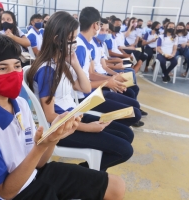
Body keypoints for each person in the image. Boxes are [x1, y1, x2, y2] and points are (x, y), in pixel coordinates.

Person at [0, 32, 125, 200]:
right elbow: (6, 192)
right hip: (12, 193)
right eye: (2, 68)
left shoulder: (20, 104)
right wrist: (40, 147)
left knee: (116, 187)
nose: (14, 73)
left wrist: (54, 136)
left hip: (33, 174)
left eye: (16, 66)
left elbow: (39, 163)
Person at [28, 11, 134, 171]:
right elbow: (50, 115)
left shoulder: (61, 63)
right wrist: (87, 127)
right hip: (61, 129)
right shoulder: (47, 71)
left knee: (127, 134)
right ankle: (89, 173)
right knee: (124, 149)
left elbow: (84, 88)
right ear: (58, 41)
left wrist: (74, 62)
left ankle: (95, 169)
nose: (75, 44)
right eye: (72, 40)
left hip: (74, 117)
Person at [76, 7, 143, 127]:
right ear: (96, 25)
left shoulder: (86, 45)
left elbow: (91, 73)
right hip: (85, 98)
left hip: (92, 91)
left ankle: (116, 126)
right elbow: (79, 84)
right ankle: (110, 126)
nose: (104, 32)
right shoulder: (81, 47)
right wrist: (107, 82)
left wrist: (112, 79)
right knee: (134, 113)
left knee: (134, 107)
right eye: (102, 28)